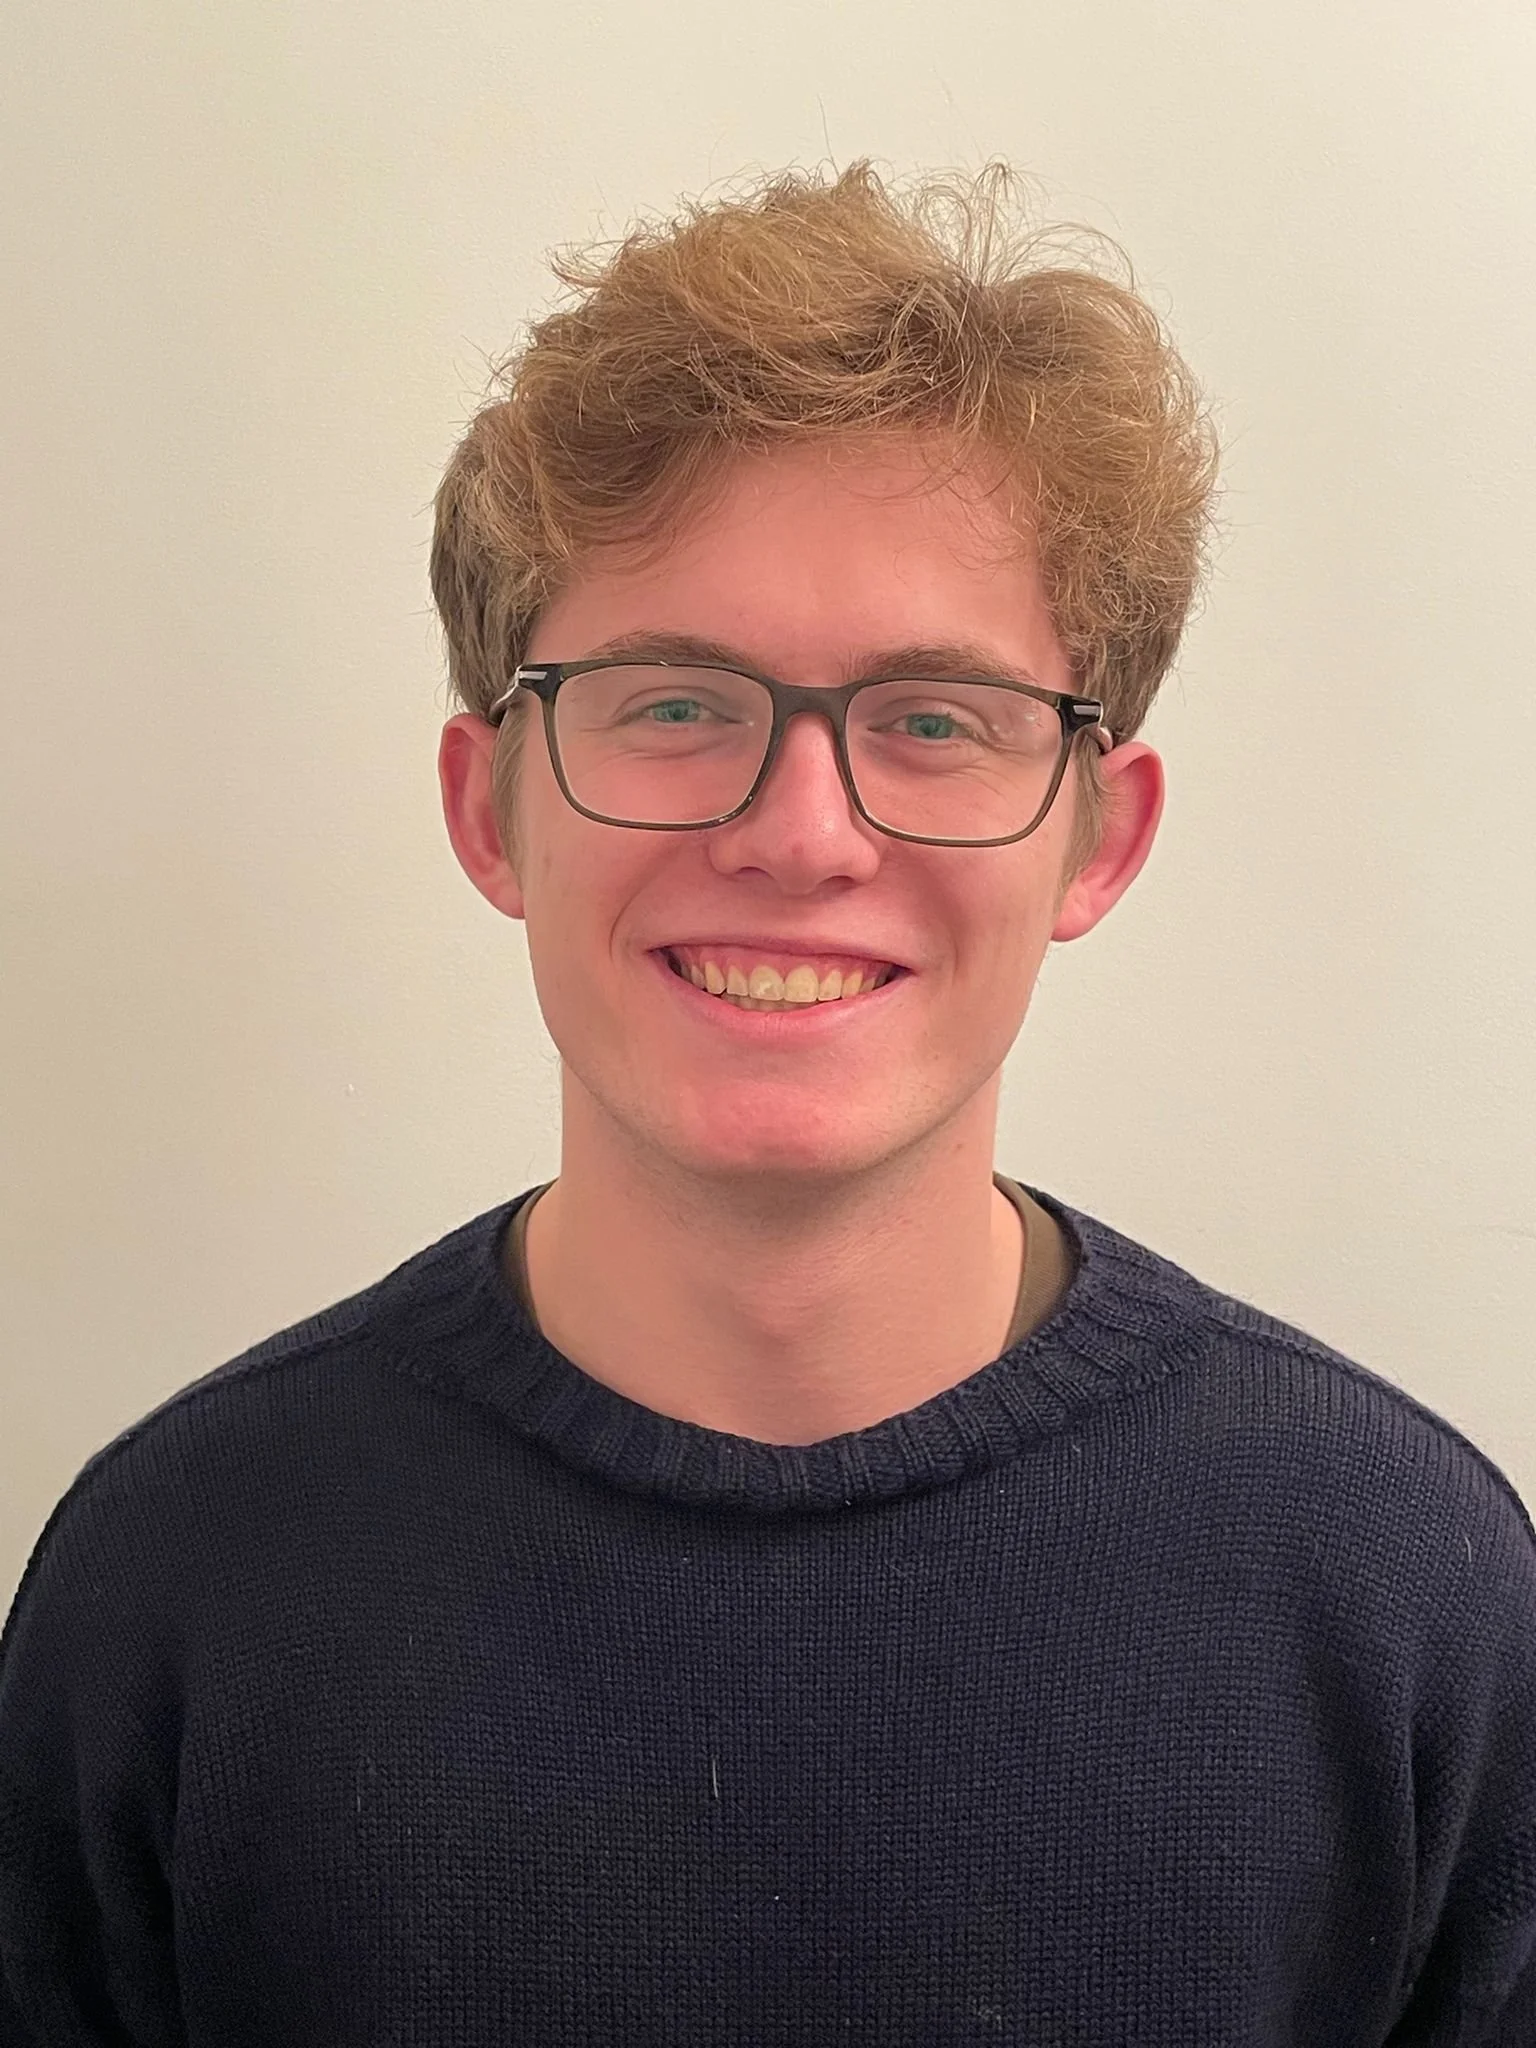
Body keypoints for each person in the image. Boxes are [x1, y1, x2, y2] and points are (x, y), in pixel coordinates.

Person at [2, 161, 1533, 2048]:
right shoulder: (175, 1583)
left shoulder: (1407, 1594)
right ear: (490, 810)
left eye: (937, 719)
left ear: (1098, 840)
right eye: (673, 703)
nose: (802, 836)